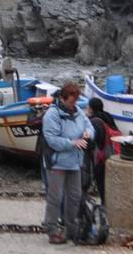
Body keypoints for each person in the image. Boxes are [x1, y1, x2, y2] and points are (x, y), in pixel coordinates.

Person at [40, 81, 93, 243]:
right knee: (55, 197)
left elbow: (89, 125)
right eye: (71, 101)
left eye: (76, 100)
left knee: (75, 196)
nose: (74, 104)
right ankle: (51, 229)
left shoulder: (77, 111)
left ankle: (71, 227)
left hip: (74, 162)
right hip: (56, 163)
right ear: (63, 98)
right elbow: (52, 140)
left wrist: (88, 133)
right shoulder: (52, 115)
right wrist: (72, 143)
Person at [84, 96, 120, 200]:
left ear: (91, 108)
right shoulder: (108, 116)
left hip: (101, 158)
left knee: (102, 185)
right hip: (113, 154)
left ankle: (105, 207)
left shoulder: (95, 122)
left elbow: (92, 143)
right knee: (110, 185)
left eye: (88, 106)